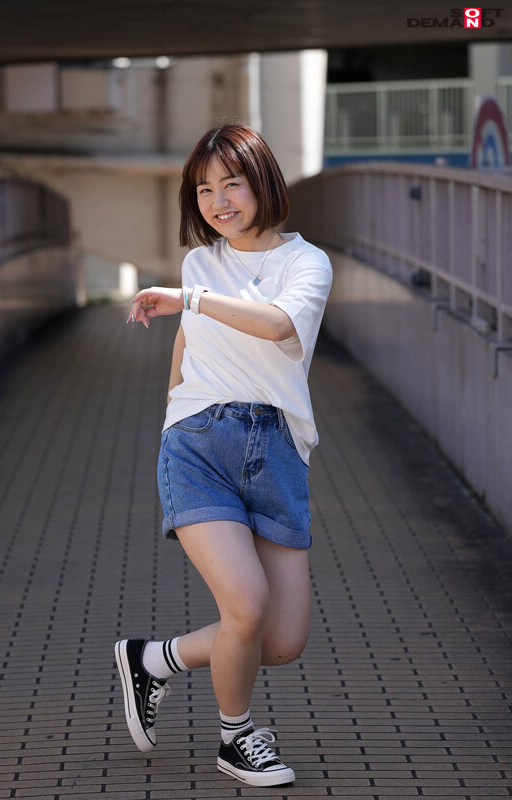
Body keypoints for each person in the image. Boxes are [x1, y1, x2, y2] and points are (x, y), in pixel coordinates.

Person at [115, 122, 332, 787]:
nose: (217, 202)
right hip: (200, 446)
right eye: (204, 190)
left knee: (282, 641)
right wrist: (176, 416)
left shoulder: (306, 263)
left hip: (278, 451)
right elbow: (188, 345)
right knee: (246, 604)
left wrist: (191, 299)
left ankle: (155, 660)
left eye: (230, 184)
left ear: (262, 181)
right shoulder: (200, 262)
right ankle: (237, 738)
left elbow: (278, 325)